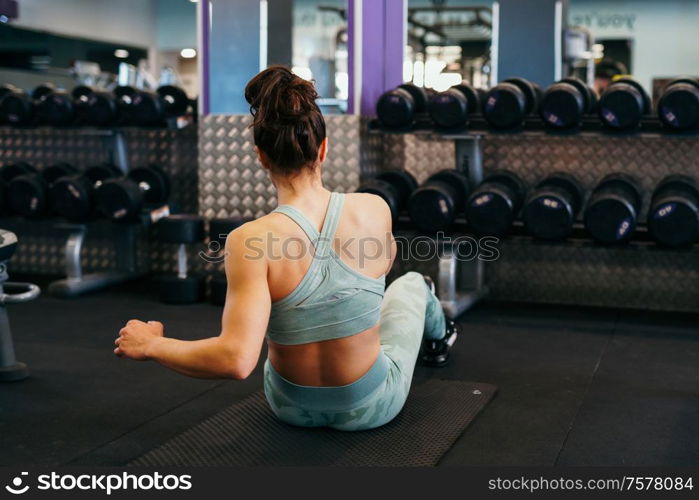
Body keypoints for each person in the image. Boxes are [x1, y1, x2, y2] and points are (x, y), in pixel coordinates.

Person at [114, 66, 457, 431]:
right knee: (411, 285)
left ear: (261, 156)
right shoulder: (374, 208)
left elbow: (236, 359)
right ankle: (441, 337)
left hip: (291, 407)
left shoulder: (247, 241)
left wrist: (153, 344)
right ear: (323, 148)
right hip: (370, 407)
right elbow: (381, 273)